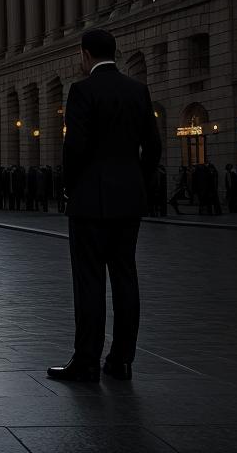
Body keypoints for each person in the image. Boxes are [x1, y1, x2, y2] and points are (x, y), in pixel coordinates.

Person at [49, 29, 161, 383]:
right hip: (129, 201)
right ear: (116, 51)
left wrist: (70, 187)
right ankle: (122, 360)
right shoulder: (137, 90)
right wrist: (138, 183)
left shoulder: (82, 91)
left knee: (90, 282)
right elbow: (153, 147)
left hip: (90, 203)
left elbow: (75, 147)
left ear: (84, 55)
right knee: (126, 277)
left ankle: (86, 361)